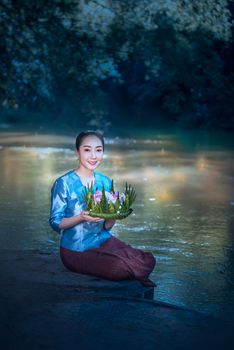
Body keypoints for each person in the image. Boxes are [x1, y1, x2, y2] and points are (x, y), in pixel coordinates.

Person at [49, 130, 156, 287]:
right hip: (76, 250)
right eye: (87, 150)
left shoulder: (105, 181)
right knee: (118, 268)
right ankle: (127, 268)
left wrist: (114, 215)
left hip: (103, 240)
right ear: (77, 152)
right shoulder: (63, 183)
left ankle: (129, 267)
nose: (93, 156)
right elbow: (55, 222)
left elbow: (106, 226)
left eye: (98, 150)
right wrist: (81, 217)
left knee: (148, 259)